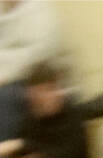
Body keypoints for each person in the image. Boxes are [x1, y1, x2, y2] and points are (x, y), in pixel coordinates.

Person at [0, 0, 62, 141]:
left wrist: (5, 73)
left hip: (35, 78)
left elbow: (41, 53)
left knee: (5, 96)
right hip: (7, 75)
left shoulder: (41, 10)